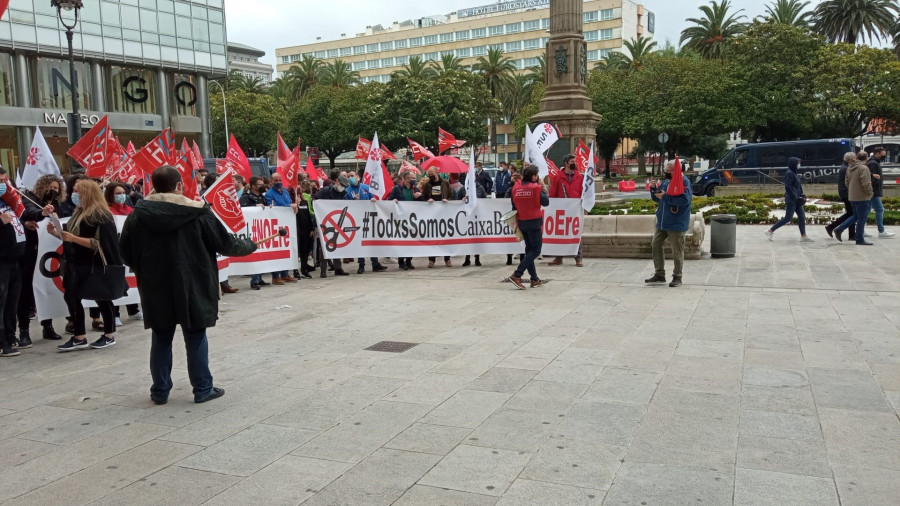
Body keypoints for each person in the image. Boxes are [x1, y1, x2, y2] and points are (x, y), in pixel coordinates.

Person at [120, 165, 257, 404]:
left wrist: (143, 267)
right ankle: (203, 388)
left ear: (154, 185)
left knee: (161, 336)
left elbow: (125, 251)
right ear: (179, 186)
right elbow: (226, 244)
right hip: (193, 282)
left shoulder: (137, 214)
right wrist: (250, 245)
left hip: (155, 284)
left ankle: (160, 391)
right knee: (195, 335)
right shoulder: (198, 212)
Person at [46, 179, 121, 351]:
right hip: (76, 263)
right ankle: (79, 335)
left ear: (87, 193)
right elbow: (71, 238)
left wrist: (72, 238)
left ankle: (109, 334)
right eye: (74, 190)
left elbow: (100, 243)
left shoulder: (102, 215)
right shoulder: (79, 212)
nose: (75, 194)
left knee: (101, 298)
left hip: (93, 264)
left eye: (78, 191)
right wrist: (57, 234)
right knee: (72, 297)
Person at [17, 174, 64, 347]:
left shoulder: (57, 204)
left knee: (47, 288)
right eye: (49, 187)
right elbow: (28, 211)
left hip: (47, 254)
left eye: (56, 189)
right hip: (29, 254)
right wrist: (41, 214)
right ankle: (23, 330)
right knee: (26, 292)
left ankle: (48, 325)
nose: (52, 191)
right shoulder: (29, 198)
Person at [645, 159, 693, 288]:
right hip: (662, 221)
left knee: (677, 250)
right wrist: (653, 189)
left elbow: (684, 201)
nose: (666, 172)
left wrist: (665, 197)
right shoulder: (667, 181)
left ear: (677, 170)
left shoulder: (684, 182)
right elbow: (657, 197)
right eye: (666, 170)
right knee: (656, 244)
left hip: (676, 222)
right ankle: (659, 274)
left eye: (669, 170)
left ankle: (677, 276)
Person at [99, 183, 142, 322]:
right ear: (110, 195)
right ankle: (115, 313)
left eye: (123, 192)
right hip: (114, 251)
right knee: (116, 280)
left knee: (130, 279)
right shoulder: (106, 211)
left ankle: (133, 310)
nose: (121, 195)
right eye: (118, 193)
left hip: (129, 250)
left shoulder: (130, 209)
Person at [507, 165, 549, 289]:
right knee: (536, 250)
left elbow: (513, 207)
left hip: (522, 222)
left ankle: (534, 279)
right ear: (533, 176)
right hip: (534, 222)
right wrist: (541, 187)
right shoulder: (536, 188)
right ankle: (517, 274)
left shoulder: (515, 188)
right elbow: (546, 202)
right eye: (537, 175)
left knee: (529, 250)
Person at [0, 167, 25, 357]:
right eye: (0, 181)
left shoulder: (7, 201)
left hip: (14, 260)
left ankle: (10, 335)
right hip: (1, 261)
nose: (3, 185)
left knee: (12, 301)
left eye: (4, 181)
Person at [345, 170, 387, 274]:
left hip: (369, 219)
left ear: (357, 176)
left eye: (352, 175)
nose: (351, 177)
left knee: (372, 241)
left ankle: (375, 263)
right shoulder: (347, 191)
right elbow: (345, 205)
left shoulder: (366, 188)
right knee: (360, 242)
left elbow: (372, 198)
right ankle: (361, 264)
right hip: (356, 220)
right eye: (349, 176)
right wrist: (354, 201)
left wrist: (372, 199)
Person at [548, 154, 585, 267]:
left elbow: (582, 192)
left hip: (575, 209)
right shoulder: (558, 177)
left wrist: (583, 204)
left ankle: (578, 258)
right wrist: (551, 206)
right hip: (562, 209)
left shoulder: (579, 177)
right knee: (561, 234)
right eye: (572, 161)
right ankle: (558, 258)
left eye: (575, 161)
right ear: (566, 163)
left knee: (576, 233)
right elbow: (553, 192)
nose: (574, 163)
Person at [765, 157, 813, 242]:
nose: (799, 165)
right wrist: (795, 197)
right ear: (793, 164)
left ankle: (803, 235)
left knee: (802, 216)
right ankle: (770, 231)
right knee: (788, 218)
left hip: (797, 199)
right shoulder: (789, 173)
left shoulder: (794, 173)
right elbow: (788, 187)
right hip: (792, 199)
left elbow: (798, 186)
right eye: (798, 163)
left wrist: (801, 194)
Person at [833, 151, 874, 245]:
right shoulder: (864, 168)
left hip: (852, 196)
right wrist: (870, 193)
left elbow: (846, 182)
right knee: (861, 219)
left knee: (855, 216)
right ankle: (859, 239)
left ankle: (839, 229)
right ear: (866, 158)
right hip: (862, 197)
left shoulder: (850, 168)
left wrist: (853, 191)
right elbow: (866, 184)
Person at [265, 173, 299, 284]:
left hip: (286, 224)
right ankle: (276, 276)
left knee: (286, 249)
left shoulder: (285, 191)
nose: (278, 182)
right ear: (271, 181)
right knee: (276, 250)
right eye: (276, 180)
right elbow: (273, 208)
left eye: (280, 179)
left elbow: (288, 204)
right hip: (275, 226)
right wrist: (289, 207)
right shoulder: (269, 194)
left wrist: (294, 208)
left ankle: (285, 274)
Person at [314, 174, 350, 277]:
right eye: (341, 185)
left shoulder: (343, 193)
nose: (342, 188)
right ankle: (323, 270)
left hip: (337, 221)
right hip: (324, 222)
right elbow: (316, 203)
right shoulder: (325, 191)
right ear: (337, 182)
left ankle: (338, 268)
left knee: (337, 245)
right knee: (323, 247)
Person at [389, 169, 423, 270]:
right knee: (403, 241)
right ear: (405, 179)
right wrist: (393, 200)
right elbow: (389, 200)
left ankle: (409, 260)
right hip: (401, 219)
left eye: (414, 178)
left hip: (412, 218)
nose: (413, 180)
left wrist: (420, 196)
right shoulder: (397, 188)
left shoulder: (415, 188)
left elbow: (423, 202)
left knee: (412, 241)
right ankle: (401, 261)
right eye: (411, 178)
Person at [240, 176, 270, 289]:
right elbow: (241, 210)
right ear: (253, 186)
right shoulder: (246, 198)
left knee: (262, 255)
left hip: (262, 229)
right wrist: (254, 207)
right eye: (259, 184)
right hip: (252, 231)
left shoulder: (262, 197)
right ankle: (254, 280)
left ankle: (260, 278)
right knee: (255, 255)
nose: (262, 186)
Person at [453, 173, 486, 267]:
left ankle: (477, 258)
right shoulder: (463, 189)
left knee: (476, 238)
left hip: (477, 216)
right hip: (466, 216)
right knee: (467, 238)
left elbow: (485, 201)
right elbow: (457, 201)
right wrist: (462, 200)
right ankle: (467, 258)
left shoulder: (480, 188)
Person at [422, 168, 453, 268]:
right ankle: (431, 260)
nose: (430, 175)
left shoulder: (445, 183)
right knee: (432, 236)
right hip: (432, 214)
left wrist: (447, 199)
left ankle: (447, 259)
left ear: (437, 173)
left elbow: (451, 195)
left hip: (443, 213)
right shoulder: (427, 185)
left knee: (445, 236)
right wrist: (428, 199)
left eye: (432, 174)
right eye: (429, 174)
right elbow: (424, 196)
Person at [825, 152, 858, 241]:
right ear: (850, 159)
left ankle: (832, 227)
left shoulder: (846, 167)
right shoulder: (847, 168)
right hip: (847, 194)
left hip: (845, 193)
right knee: (852, 214)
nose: (856, 159)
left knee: (850, 214)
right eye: (855, 158)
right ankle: (850, 234)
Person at [866, 146, 893, 238]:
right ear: (877, 153)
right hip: (874, 192)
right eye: (883, 153)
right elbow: (873, 178)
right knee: (880, 209)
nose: (884, 155)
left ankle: (861, 229)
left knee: (867, 210)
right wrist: (874, 190)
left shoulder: (873, 162)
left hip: (872, 191)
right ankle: (881, 231)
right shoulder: (873, 163)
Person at [296, 179, 316, 278]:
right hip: (297, 231)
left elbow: (308, 215)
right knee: (298, 251)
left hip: (306, 230)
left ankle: (304, 269)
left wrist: (311, 229)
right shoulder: (293, 203)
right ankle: (296, 271)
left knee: (306, 250)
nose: (300, 191)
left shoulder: (304, 202)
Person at [504, 172, 523, 266]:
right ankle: (509, 256)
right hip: (512, 216)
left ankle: (522, 257)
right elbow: (505, 200)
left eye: (516, 179)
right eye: (513, 179)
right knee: (511, 237)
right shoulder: (510, 190)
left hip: (521, 217)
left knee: (521, 237)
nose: (514, 181)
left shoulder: (522, 189)